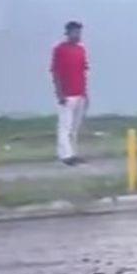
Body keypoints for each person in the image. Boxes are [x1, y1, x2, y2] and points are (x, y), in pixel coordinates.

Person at [51, 21, 89, 166]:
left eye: (79, 32)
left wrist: (86, 93)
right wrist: (59, 93)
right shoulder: (60, 49)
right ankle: (65, 155)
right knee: (65, 126)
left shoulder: (81, 49)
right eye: (75, 32)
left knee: (75, 127)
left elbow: (84, 71)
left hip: (79, 93)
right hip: (67, 94)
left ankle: (73, 153)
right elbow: (55, 72)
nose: (78, 35)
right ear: (68, 33)